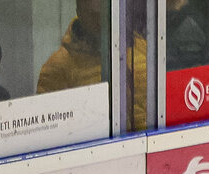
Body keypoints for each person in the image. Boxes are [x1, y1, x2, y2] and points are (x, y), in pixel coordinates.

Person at [38, 0, 147, 131]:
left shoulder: (141, 47)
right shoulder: (58, 67)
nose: (100, 18)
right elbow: (50, 132)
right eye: (93, 13)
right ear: (79, 10)